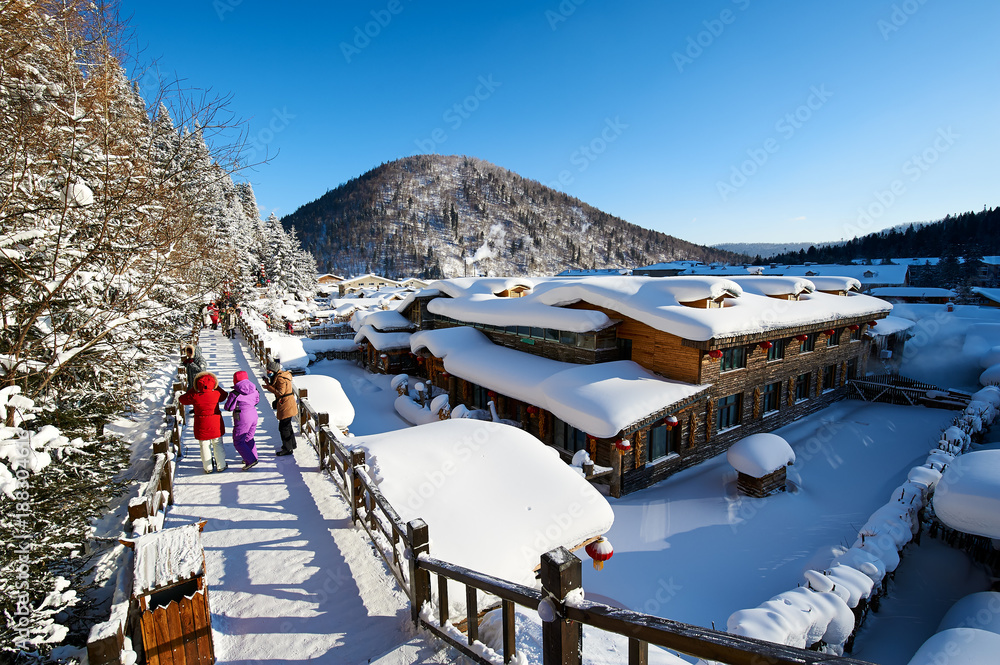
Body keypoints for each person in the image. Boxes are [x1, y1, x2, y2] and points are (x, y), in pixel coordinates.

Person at [178, 371, 228, 473]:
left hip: (201, 423)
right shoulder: (217, 394)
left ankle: (208, 467)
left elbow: (182, 399)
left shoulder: (195, 395)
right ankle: (221, 465)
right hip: (215, 423)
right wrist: (215, 387)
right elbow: (224, 395)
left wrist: (195, 389)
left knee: (204, 445)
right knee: (217, 443)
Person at [224, 370, 260, 470]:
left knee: (238, 441)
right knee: (249, 437)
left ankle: (250, 460)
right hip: (254, 415)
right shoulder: (254, 389)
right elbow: (257, 400)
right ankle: (253, 456)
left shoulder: (235, 393)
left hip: (242, 417)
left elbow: (229, 407)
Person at [263, 359, 298, 456]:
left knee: (283, 427)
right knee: (287, 425)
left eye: (269, 370)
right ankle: (291, 445)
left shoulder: (280, 379)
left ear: (273, 370)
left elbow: (280, 392)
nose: (267, 372)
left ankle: (288, 448)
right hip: (287, 403)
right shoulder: (279, 376)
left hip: (286, 404)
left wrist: (269, 388)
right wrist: (268, 383)